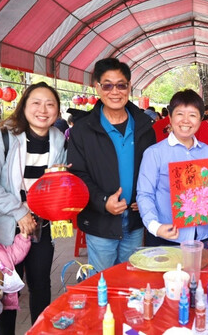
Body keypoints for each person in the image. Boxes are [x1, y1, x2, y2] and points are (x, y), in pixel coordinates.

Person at [0, 82, 67, 334]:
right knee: (5, 288)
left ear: (57, 110)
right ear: (24, 106)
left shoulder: (58, 140)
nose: (43, 110)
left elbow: (57, 185)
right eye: (36, 103)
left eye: (50, 104)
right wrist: (19, 211)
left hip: (40, 226)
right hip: (2, 229)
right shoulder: (2, 138)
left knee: (40, 284)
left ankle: (39, 330)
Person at [67, 58, 156, 273]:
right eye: (107, 85)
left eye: (121, 85)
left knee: (130, 280)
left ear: (129, 87)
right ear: (96, 87)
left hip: (134, 221)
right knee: (101, 282)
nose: (114, 91)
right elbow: (77, 175)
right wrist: (103, 201)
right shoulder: (83, 130)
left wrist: (145, 196)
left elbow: (153, 169)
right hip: (100, 222)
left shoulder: (144, 127)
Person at [137, 89, 208, 246]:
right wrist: (154, 226)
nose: (186, 120)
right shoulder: (154, 153)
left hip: (201, 236)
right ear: (170, 117)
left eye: (192, 115)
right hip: (166, 235)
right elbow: (145, 194)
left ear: (200, 119)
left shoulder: (207, 151)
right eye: (179, 114)